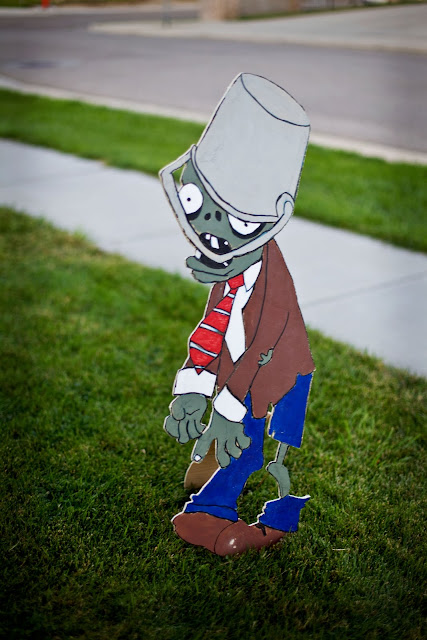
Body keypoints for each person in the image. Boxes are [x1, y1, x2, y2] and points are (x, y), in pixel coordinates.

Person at [160, 73, 315, 555]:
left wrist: (227, 412)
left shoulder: (271, 283)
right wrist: (193, 388)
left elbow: (262, 354)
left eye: (237, 221)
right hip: (238, 360)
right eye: (198, 202)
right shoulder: (232, 262)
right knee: (231, 427)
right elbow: (213, 328)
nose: (211, 233)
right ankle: (209, 466)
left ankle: (219, 510)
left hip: (279, 370)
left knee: (253, 443)